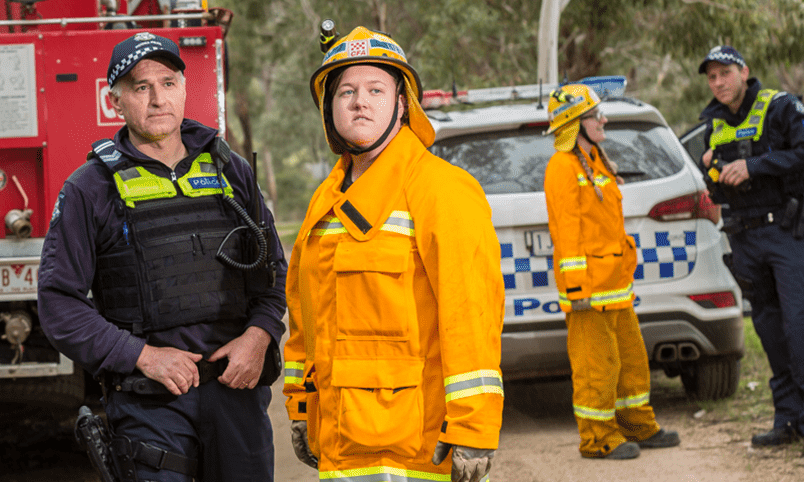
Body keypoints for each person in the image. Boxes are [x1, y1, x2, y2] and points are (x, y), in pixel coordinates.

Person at [37, 32, 288, 482]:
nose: (157, 99)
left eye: (168, 83)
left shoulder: (230, 170)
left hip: (236, 392)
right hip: (149, 404)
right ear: (115, 102)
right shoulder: (88, 189)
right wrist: (143, 356)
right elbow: (59, 304)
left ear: (185, 89)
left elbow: (271, 271)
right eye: (140, 87)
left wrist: (260, 336)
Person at [282, 26, 504, 482]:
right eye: (346, 91)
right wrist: (301, 405)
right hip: (342, 445)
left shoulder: (442, 190)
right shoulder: (325, 201)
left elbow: (472, 315)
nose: (360, 102)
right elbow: (305, 318)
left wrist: (475, 426)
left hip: (419, 450)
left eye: (376, 90)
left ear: (403, 105)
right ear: (329, 109)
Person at [697, 45, 804, 458]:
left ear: (744, 72)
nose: (718, 83)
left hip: (785, 234)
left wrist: (756, 166)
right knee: (771, 333)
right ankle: (786, 420)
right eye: (711, 77)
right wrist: (712, 171)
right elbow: (719, 187)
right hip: (745, 239)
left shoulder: (782, 107)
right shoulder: (714, 125)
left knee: (801, 327)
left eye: (724, 73)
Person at [541, 83, 681, 460]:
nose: (603, 121)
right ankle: (597, 439)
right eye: (594, 116)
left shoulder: (596, 159)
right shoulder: (562, 168)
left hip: (615, 287)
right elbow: (567, 231)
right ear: (574, 123)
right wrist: (575, 289)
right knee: (595, 369)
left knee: (632, 363)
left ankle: (637, 426)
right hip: (588, 293)